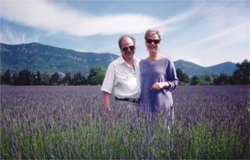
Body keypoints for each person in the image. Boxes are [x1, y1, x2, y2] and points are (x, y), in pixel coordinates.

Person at [139, 29, 178, 118]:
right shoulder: (141, 63)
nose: (152, 43)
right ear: (146, 43)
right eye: (149, 41)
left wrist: (163, 84)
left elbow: (175, 82)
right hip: (146, 106)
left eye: (156, 41)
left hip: (163, 106)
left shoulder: (167, 61)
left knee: (163, 131)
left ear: (159, 43)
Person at [101, 35, 141, 112]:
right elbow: (106, 90)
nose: (129, 50)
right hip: (123, 107)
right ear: (120, 50)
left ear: (135, 47)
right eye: (125, 48)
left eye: (131, 47)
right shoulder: (114, 65)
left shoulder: (140, 63)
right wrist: (108, 111)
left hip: (141, 106)